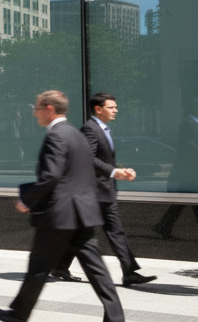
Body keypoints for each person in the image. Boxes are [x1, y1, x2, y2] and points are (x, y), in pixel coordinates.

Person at [0, 90, 125, 322]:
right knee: (97, 270)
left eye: (37, 109)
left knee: (39, 265)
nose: (35, 114)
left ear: (49, 109)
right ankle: (115, 317)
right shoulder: (76, 134)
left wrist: (27, 200)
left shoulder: (56, 136)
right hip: (83, 212)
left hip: (60, 213)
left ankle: (19, 314)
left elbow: (51, 176)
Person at [50, 94, 156, 287]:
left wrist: (120, 170)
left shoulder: (104, 129)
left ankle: (129, 272)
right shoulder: (90, 129)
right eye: (111, 107)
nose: (116, 110)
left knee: (110, 231)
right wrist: (114, 172)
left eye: (115, 107)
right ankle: (59, 265)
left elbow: (104, 160)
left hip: (104, 191)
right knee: (89, 233)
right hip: (94, 192)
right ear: (98, 109)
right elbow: (88, 157)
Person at [155, 97, 198, 241]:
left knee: (184, 203)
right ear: (195, 108)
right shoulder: (188, 123)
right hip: (192, 172)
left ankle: (163, 226)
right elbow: (188, 146)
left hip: (195, 172)